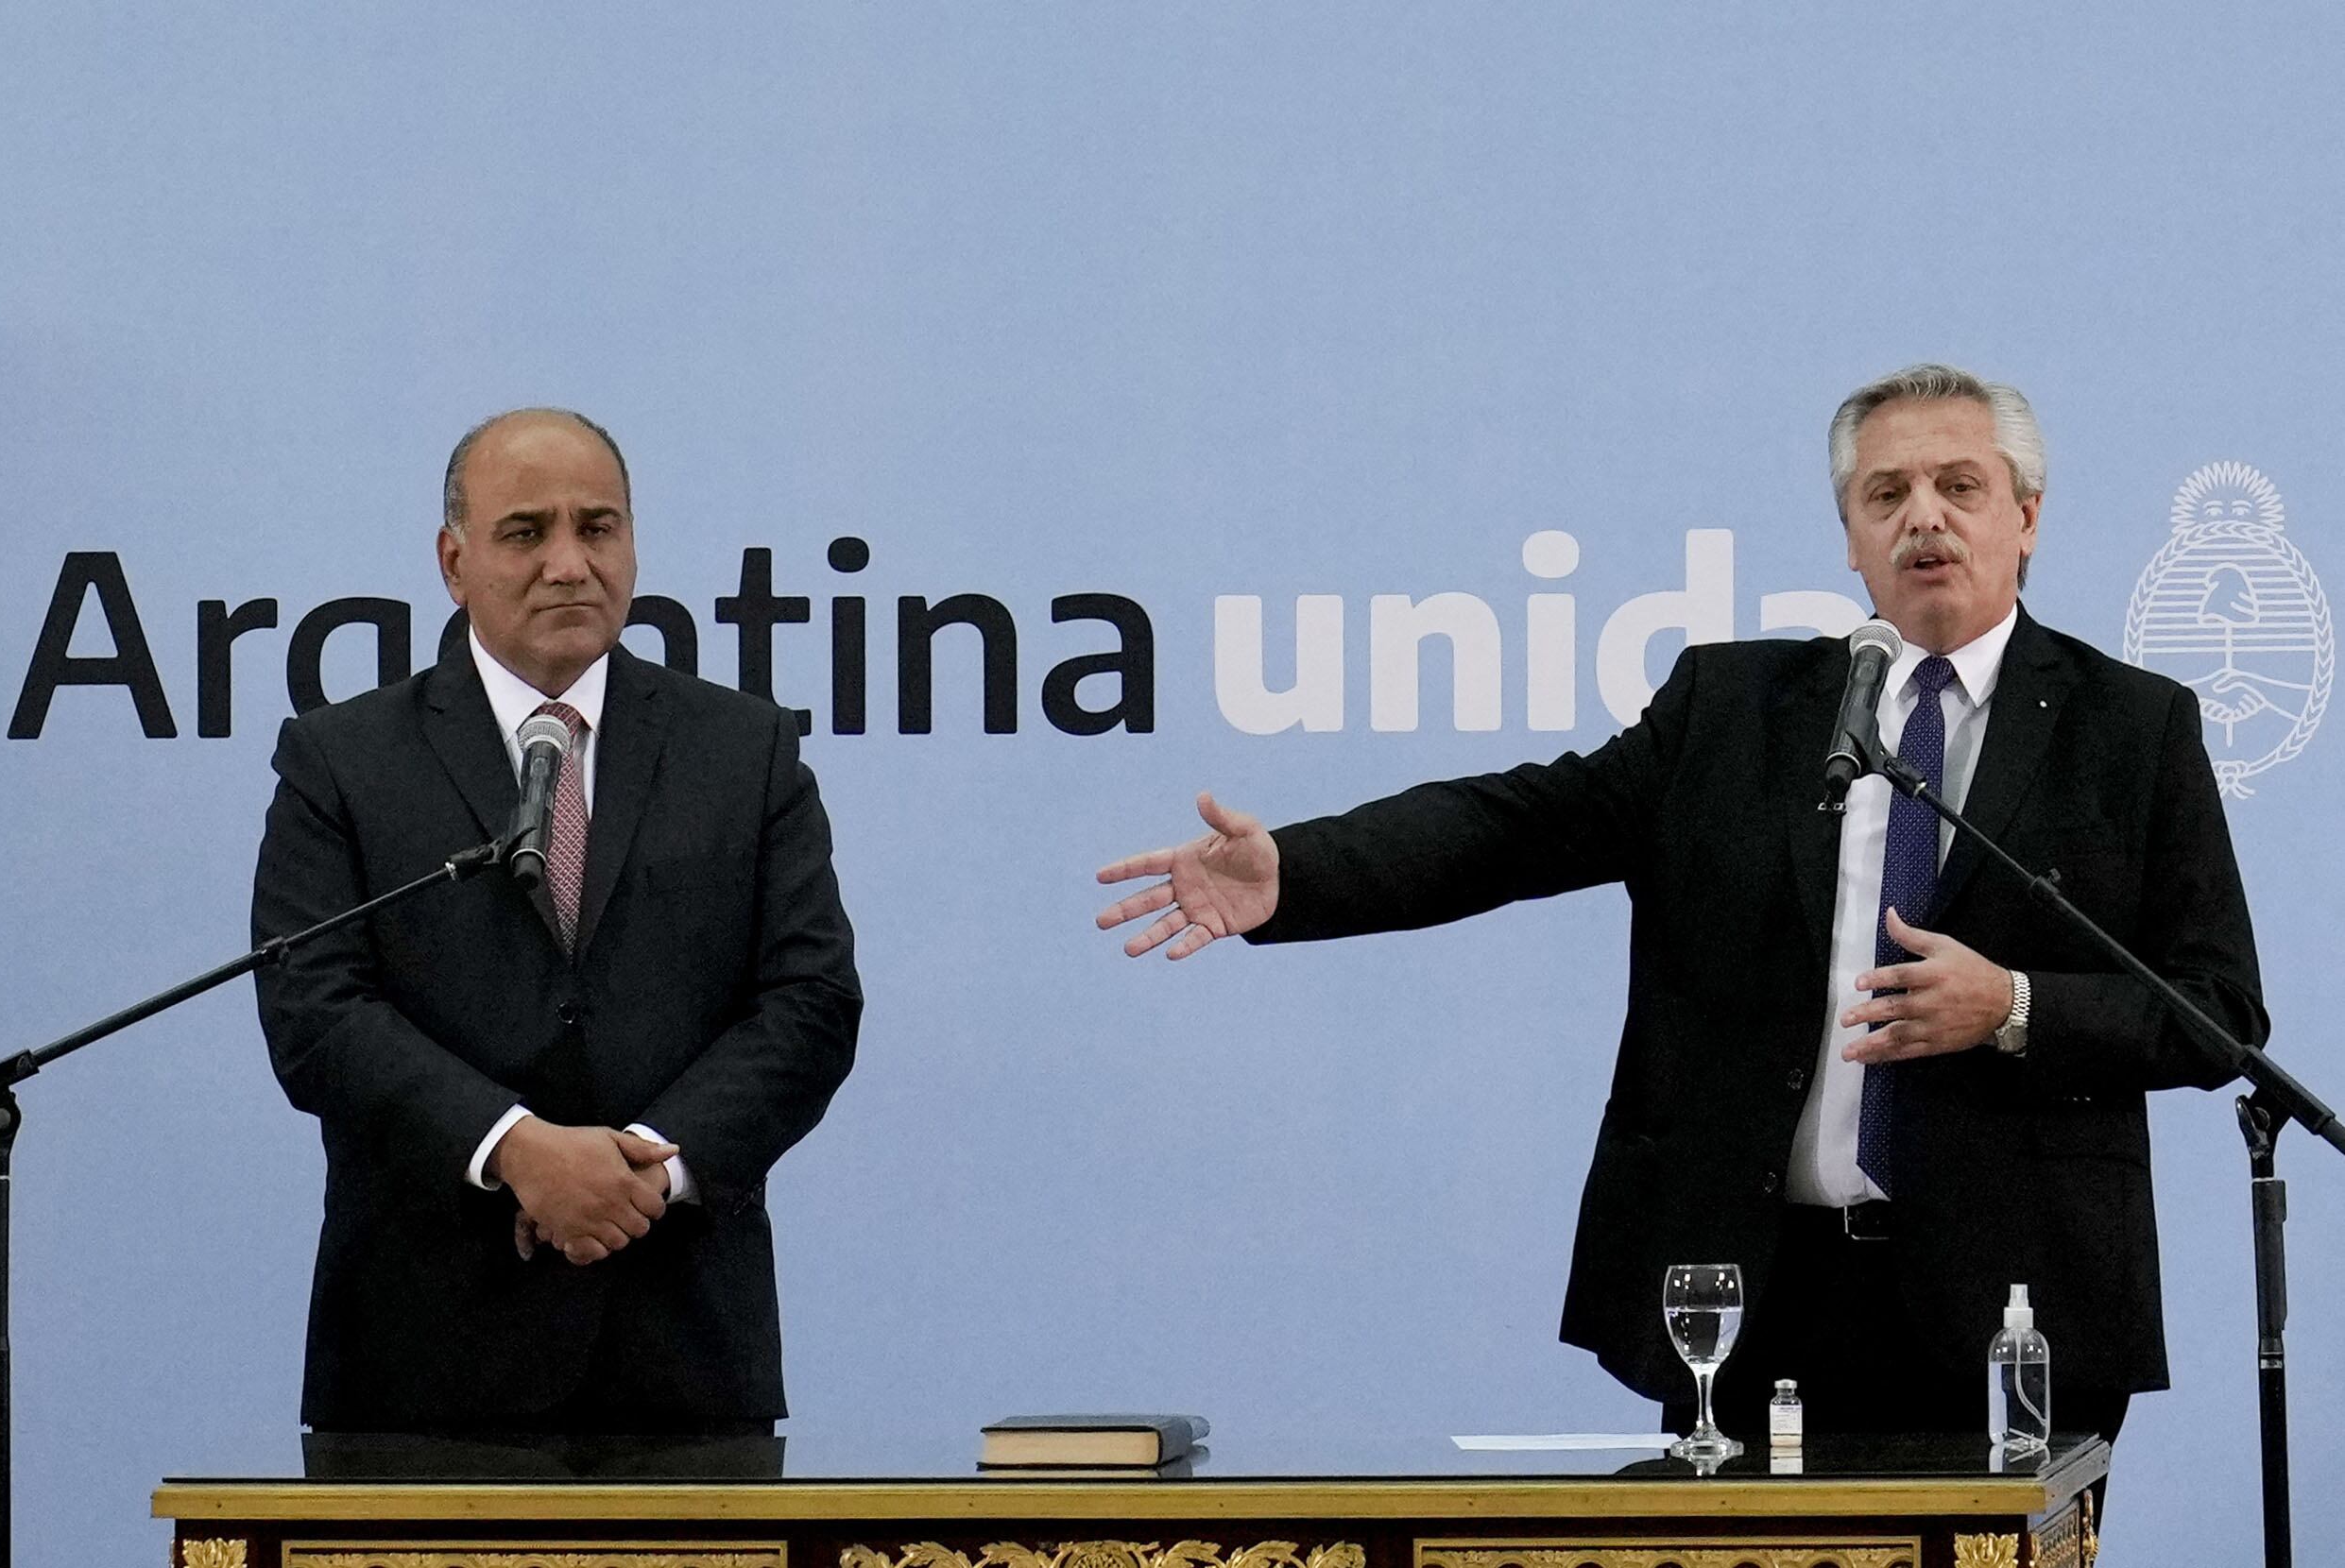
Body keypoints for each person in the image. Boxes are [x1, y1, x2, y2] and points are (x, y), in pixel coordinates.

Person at [1097, 365, 2266, 1447]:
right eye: (1885, 492)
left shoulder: (2133, 729)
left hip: (2019, 1309)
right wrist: (1295, 872)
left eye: (1960, 486)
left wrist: (2011, 1005)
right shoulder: (1733, 706)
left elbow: (2216, 1011)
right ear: (1850, 539)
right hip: (1757, 1303)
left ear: (2027, 516)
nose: (1924, 515)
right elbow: (1514, 825)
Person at [253, 408, 861, 1434]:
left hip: (684, 1355)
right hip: (421, 1364)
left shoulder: (743, 748)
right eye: (527, 533)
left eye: (599, 527)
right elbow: (315, 1011)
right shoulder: (342, 761)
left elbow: (809, 1002)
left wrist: (648, 1170)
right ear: (455, 561)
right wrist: (515, 1147)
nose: (570, 564)